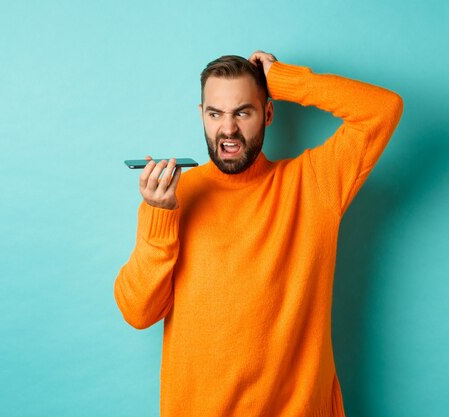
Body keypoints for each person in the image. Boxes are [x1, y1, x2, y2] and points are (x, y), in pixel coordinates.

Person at [114, 50, 404, 417]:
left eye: (243, 112)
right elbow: (138, 312)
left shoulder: (313, 184)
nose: (228, 129)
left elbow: (383, 109)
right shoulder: (173, 198)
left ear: (267, 113)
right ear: (201, 115)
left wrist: (283, 80)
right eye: (215, 113)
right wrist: (159, 215)